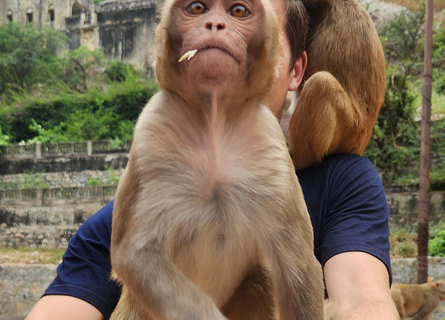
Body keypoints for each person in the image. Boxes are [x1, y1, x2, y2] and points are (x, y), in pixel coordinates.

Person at [26, 0, 399, 319]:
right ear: (163, 51)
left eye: (241, 11)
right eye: (196, 8)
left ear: (293, 70)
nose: (216, 24)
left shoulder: (341, 182)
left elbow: (361, 302)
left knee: (262, 283)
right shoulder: (120, 211)